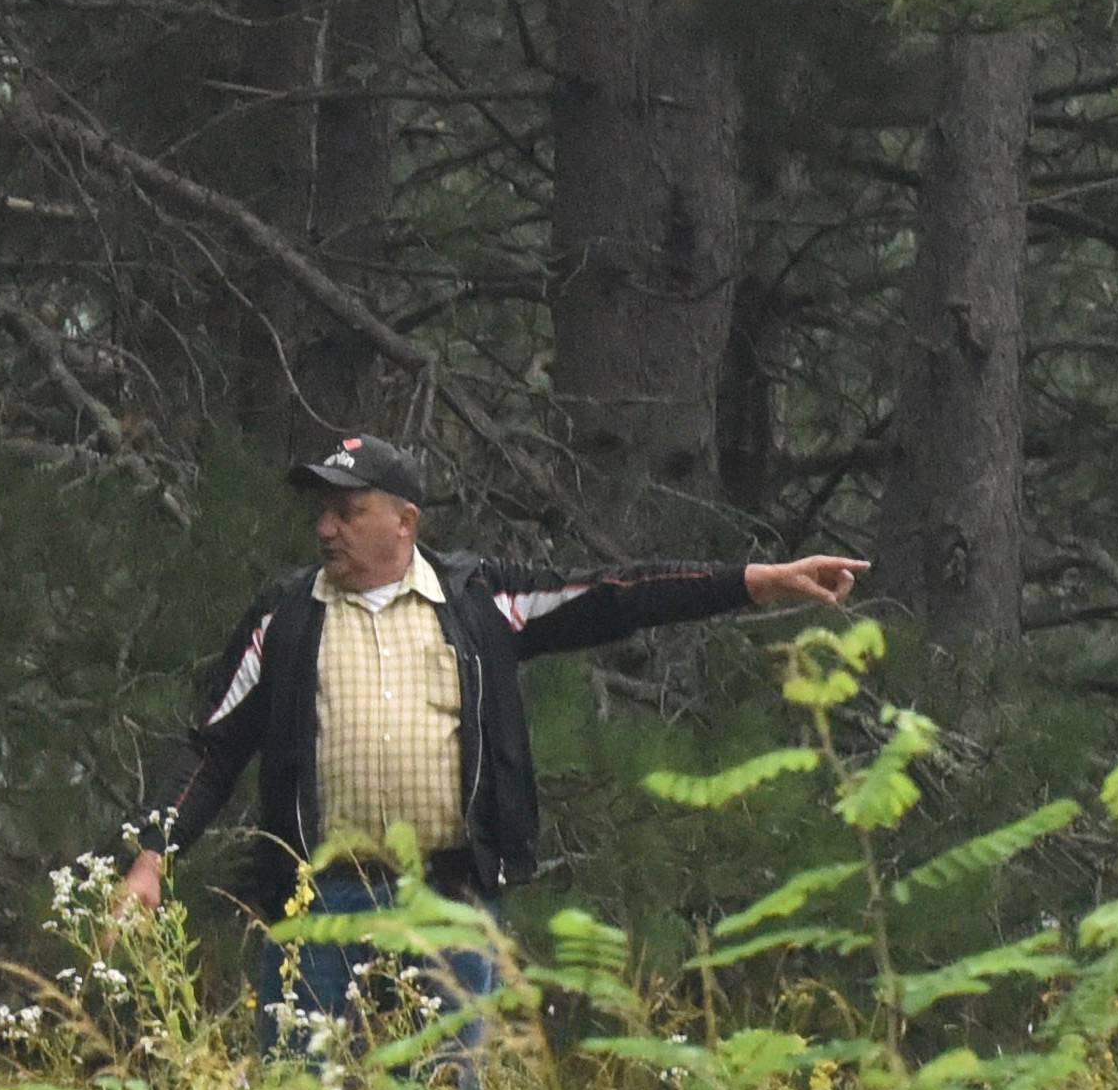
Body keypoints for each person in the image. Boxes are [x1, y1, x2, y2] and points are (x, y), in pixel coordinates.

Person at [116, 432, 868, 1051]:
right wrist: (152, 858)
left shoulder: (481, 601)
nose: (325, 528)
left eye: (349, 511)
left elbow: (616, 594)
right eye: (324, 512)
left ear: (404, 522)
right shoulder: (285, 617)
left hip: (449, 896)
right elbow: (211, 746)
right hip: (316, 902)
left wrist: (755, 580)